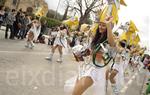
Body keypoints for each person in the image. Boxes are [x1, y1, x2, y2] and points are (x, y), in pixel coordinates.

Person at [72, 16, 115, 95]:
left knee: (75, 93)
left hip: (94, 70)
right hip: (85, 66)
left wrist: (108, 25)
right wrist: (80, 54)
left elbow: (112, 44)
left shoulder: (109, 40)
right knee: (76, 90)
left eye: (103, 25)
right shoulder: (96, 38)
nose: (101, 27)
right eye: (100, 25)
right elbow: (89, 53)